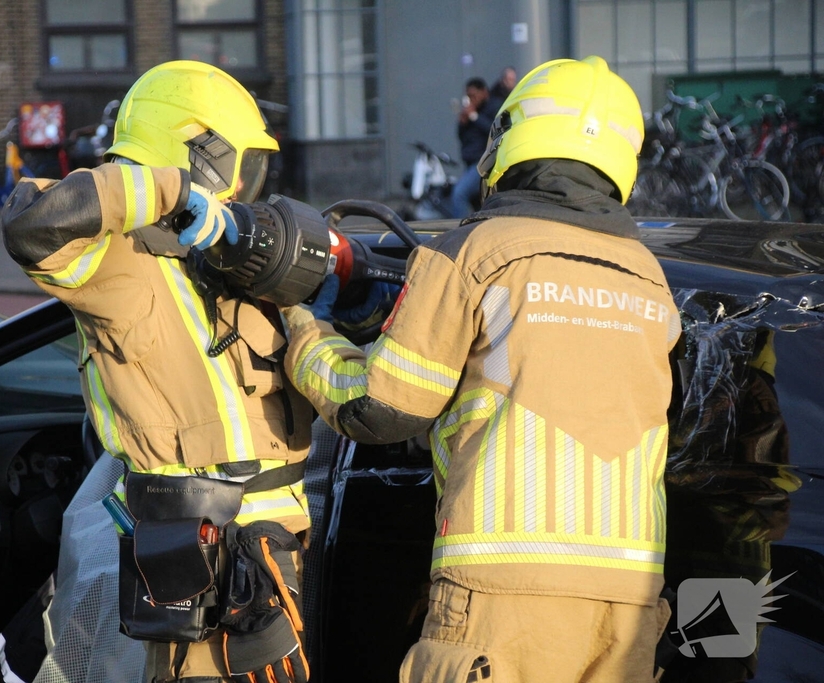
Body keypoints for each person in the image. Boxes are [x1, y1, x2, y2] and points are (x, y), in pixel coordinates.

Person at [279, 55, 680, 682]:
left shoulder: (475, 255)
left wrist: (305, 330)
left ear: (511, 136)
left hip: (502, 600)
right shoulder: (649, 281)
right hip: (627, 608)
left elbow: (379, 408)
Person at [1, 60, 313, 683]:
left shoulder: (228, 253)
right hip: (200, 568)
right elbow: (31, 223)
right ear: (199, 151)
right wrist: (170, 190)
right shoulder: (114, 260)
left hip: (279, 565)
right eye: (240, 167)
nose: (245, 189)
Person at [448, 77, 499, 219]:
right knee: (477, 202)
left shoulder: (493, 108)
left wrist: (474, 117)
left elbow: (494, 131)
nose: (471, 100)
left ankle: (461, 230)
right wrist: (463, 123)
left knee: (459, 194)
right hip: (470, 163)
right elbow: (461, 137)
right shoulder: (470, 114)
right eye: (468, 96)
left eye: (473, 96)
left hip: (483, 163)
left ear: (484, 93)